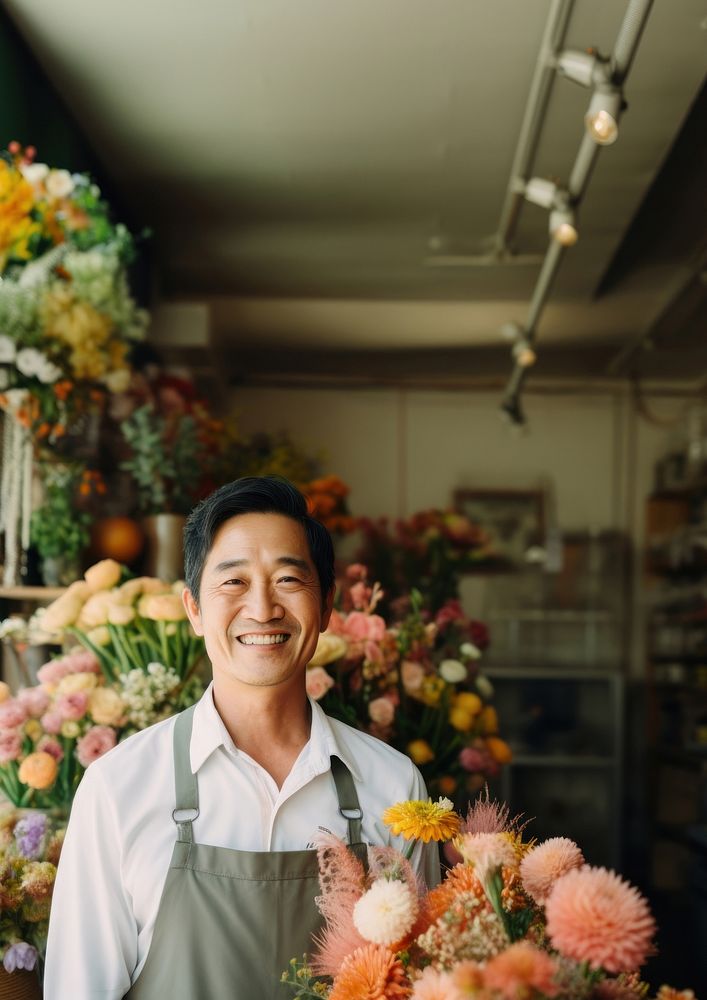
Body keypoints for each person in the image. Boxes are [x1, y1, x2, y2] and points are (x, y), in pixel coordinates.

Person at [44, 476, 441, 999]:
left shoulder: (392, 785)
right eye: (233, 582)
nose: (262, 608)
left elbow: (425, 984)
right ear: (193, 610)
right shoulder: (118, 788)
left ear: (325, 607)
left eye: (288, 580)